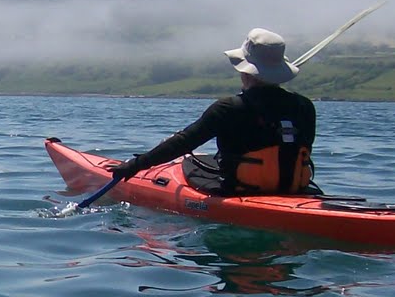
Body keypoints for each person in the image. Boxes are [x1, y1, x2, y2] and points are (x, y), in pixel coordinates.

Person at [109, 28, 317, 195]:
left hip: (239, 191)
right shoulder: (305, 106)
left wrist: (134, 165)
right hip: (294, 190)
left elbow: (184, 142)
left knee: (187, 160)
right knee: (205, 158)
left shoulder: (228, 108)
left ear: (244, 71)